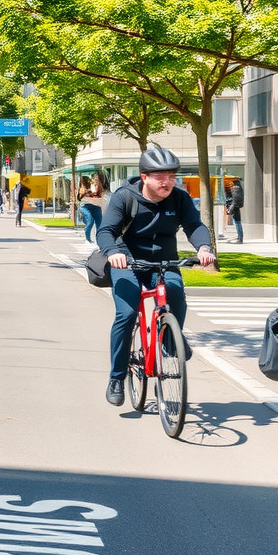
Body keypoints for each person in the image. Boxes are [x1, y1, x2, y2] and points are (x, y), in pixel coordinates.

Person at [98, 146, 217, 407]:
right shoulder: (124, 198)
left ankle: (169, 340)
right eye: (161, 177)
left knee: (175, 292)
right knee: (126, 315)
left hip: (163, 262)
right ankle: (117, 378)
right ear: (144, 177)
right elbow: (106, 231)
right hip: (127, 262)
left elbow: (194, 225)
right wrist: (112, 252)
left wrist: (204, 247)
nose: (168, 182)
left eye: (171, 176)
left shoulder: (179, 198)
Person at [227, 178, 244, 244]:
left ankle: (240, 238)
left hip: (235, 207)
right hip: (236, 207)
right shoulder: (239, 188)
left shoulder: (236, 188)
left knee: (237, 223)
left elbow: (235, 200)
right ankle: (240, 237)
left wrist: (230, 208)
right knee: (237, 222)